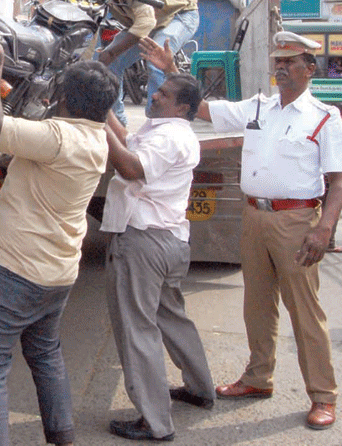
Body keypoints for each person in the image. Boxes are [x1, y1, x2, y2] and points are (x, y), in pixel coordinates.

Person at [143, 31, 342, 431]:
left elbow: (337, 181)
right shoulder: (259, 107)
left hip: (297, 221)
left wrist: (324, 230)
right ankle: (257, 378)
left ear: (309, 68)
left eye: (290, 62)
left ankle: (322, 395)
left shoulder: (324, 116)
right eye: (278, 62)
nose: (281, 68)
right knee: (257, 305)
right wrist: (172, 69)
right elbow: (202, 110)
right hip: (254, 217)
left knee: (304, 311)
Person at [0, 38, 118, 446]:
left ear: (62, 97)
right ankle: (62, 436)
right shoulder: (98, 140)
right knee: (46, 356)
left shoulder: (57, 136)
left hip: (13, 273)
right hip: (58, 275)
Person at [101, 72, 214, 441]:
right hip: (169, 241)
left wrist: (97, 127)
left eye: (164, 94)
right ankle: (200, 388)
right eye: (156, 90)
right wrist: (102, 112)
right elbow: (127, 140)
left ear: (183, 107)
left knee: (138, 330)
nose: (154, 95)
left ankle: (155, 421)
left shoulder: (168, 136)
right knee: (171, 318)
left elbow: (131, 167)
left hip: (144, 241)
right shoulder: (165, 130)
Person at [72, 0, 199, 124]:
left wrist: (113, 51)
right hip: (151, 23)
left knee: (156, 61)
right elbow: (93, 24)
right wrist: (94, 58)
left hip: (180, 14)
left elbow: (146, 21)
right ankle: (117, 124)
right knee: (107, 64)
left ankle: (158, 124)